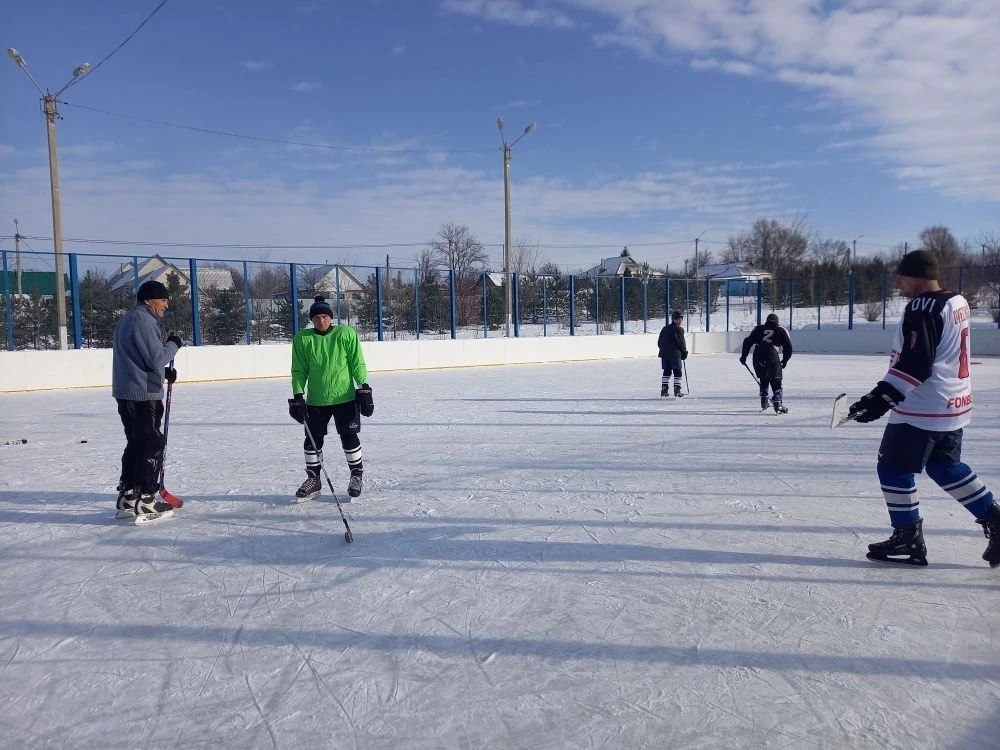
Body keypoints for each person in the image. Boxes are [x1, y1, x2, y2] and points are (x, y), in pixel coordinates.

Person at [848, 249, 1000, 567]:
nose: (899, 282)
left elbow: (916, 364)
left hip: (923, 408)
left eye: (902, 276)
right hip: (954, 403)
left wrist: (881, 398)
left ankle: (908, 539)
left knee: (892, 467)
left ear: (916, 275)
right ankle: (997, 519)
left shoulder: (922, 305)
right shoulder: (957, 300)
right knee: (945, 466)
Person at [288, 295, 370, 502]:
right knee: (312, 441)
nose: (321, 321)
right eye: (316, 318)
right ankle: (314, 480)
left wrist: (364, 386)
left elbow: (356, 362)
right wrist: (298, 395)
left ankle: (356, 475)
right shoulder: (302, 339)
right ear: (311, 320)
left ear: (331, 318)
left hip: (345, 397)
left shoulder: (346, 334)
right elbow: (299, 370)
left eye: (325, 316)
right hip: (316, 400)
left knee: (349, 438)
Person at [112, 279, 182, 518]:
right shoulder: (144, 320)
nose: (166, 305)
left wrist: (163, 373)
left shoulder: (128, 319)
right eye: (162, 300)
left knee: (136, 443)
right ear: (148, 300)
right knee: (152, 443)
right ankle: (148, 498)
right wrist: (173, 345)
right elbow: (154, 358)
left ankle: (129, 495)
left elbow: (139, 360)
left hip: (128, 392)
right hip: (143, 395)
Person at [739, 312, 792, 413]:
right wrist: (785, 360)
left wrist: (744, 356)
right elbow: (788, 347)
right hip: (772, 354)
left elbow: (747, 341)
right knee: (776, 380)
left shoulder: (759, 329)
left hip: (758, 354)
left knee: (764, 377)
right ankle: (778, 404)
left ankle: (764, 399)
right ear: (777, 322)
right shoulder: (781, 330)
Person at [657, 310, 688, 398]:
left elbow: (659, 342)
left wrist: (663, 350)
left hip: (664, 354)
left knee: (667, 371)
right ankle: (677, 390)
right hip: (675, 354)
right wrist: (684, 352)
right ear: (674, 319)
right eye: (679, 319)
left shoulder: (665, 328)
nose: (680, 321)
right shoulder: (679, 329)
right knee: (677, 371)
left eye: (681, 319)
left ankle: (664, 389)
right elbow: (681, 342)